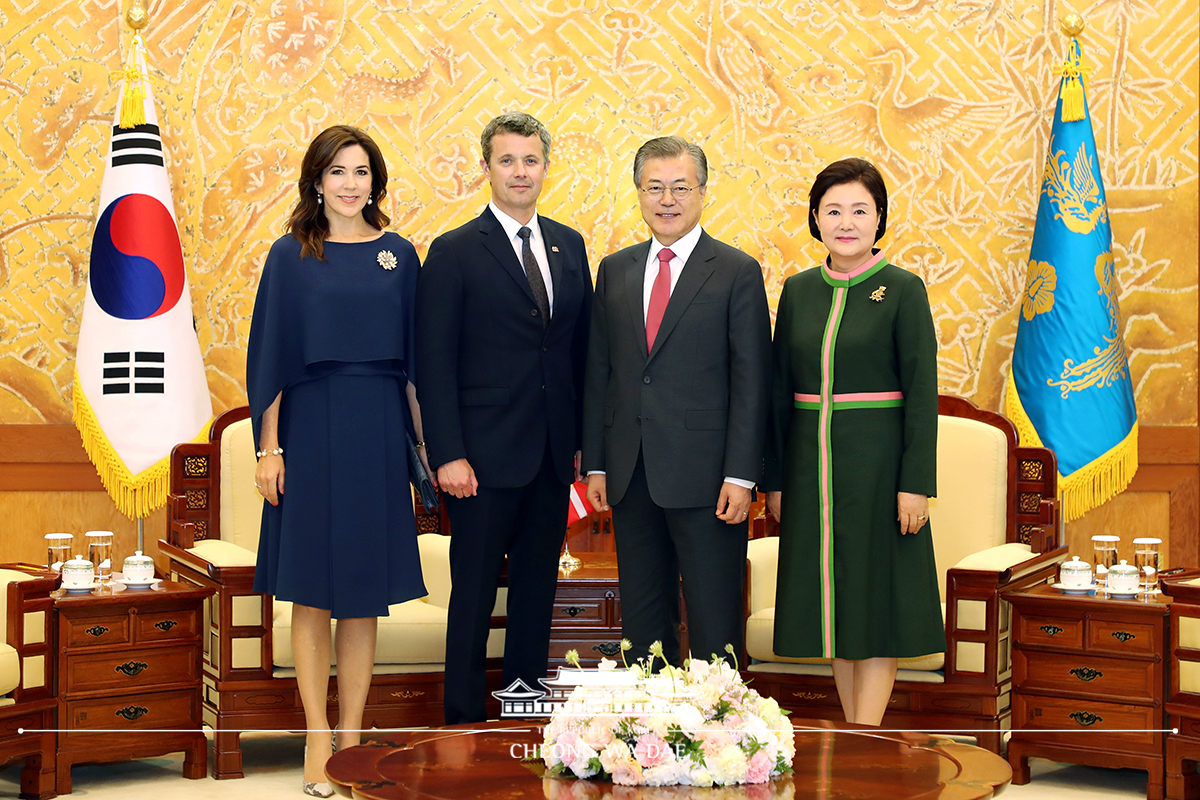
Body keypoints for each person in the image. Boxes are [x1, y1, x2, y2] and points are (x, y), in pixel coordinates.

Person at [246, 125, 429, 797]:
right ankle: (316, 732)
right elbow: (271, 356)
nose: (350, 184)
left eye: (361, 172)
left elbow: (415, 365)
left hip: (378, 427)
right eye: (337, 171)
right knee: (314, 591)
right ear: (316, 181)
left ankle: (353, 737)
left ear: (375, 183)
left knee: (362, 596)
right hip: (311, 425)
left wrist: (427, 451)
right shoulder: (290, 255)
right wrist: (270, 448)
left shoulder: (401, 256)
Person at [416, 112, 592, 724]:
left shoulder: (569, 245)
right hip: (479, 461)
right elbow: (432, 361)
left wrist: (581, 446)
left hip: (551, 456)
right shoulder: (455, 251)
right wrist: (447, 453)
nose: (521, 172)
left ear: (547, 166)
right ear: (485, 167)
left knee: (536, 596)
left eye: (531, 160)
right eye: (507, 160)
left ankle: (522, 718)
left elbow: (579, 352)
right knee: (471, 598)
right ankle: (462, 722)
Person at [763, 157, 944, 727]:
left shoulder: (903, 290)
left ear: (879, 218)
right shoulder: (797, 291)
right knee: (834, 613)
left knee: (875, 605)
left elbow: (922, 396)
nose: (846, 222)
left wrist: (915, 486)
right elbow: (777, 395)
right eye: (833, 210)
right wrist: (776, 481)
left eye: (859, 211)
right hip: (809, 477)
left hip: (880, 476)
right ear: (815, 218)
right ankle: (852, 733)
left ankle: (866, 738)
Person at [582, 135, 771, 668]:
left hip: (710, 479)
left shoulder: (736, 271)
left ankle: (725, 739)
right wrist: (596, 462)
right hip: (630, 471)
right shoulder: (615, 270)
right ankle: (650, 739)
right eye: (654, 188)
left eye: (680, 187)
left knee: (715, 623)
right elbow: (602, 373)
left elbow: (752, 382)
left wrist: (741, 475)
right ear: (639, 194)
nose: (667, 200)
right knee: (643, 628)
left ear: (704, 192)